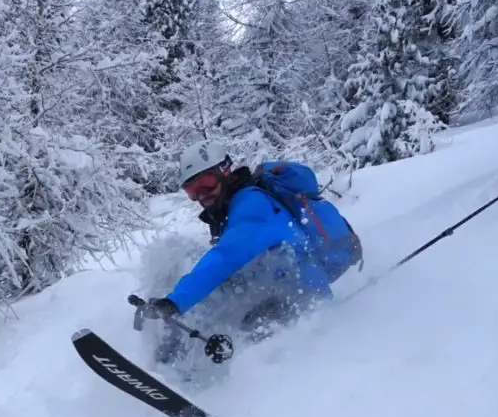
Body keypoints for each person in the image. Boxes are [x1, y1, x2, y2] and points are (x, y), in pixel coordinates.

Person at [138, 141, 361, 365]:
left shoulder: (252, 206)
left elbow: (225, 257)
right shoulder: (233, 210)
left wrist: (175, 301)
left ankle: (231, 389)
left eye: (205, 184)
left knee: (250, 337)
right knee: (221, 313)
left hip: (302, 298)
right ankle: (171, 364)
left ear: (224, 172)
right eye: (192, 191)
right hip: (279, 289)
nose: (201, 196)